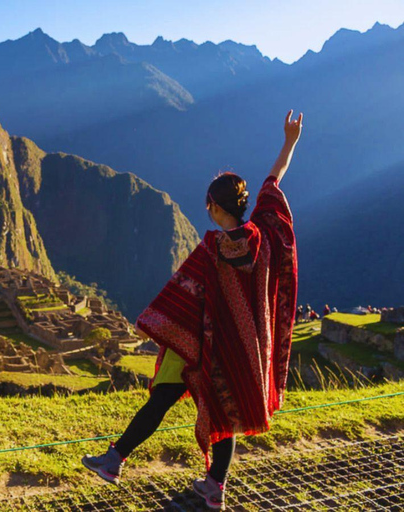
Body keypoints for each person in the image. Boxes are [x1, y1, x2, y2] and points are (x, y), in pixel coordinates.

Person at [81, 110, 302, 510]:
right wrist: (290, 141)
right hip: (241, 350)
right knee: (225, 410)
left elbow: (181, 297)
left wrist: (159, 327)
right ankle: (214, 487)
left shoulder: (211, 250)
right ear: (243, 204)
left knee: (162, 398)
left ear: (212, 206)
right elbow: (275, 179)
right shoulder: (265, 234)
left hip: (198, 346)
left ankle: (114, 461)